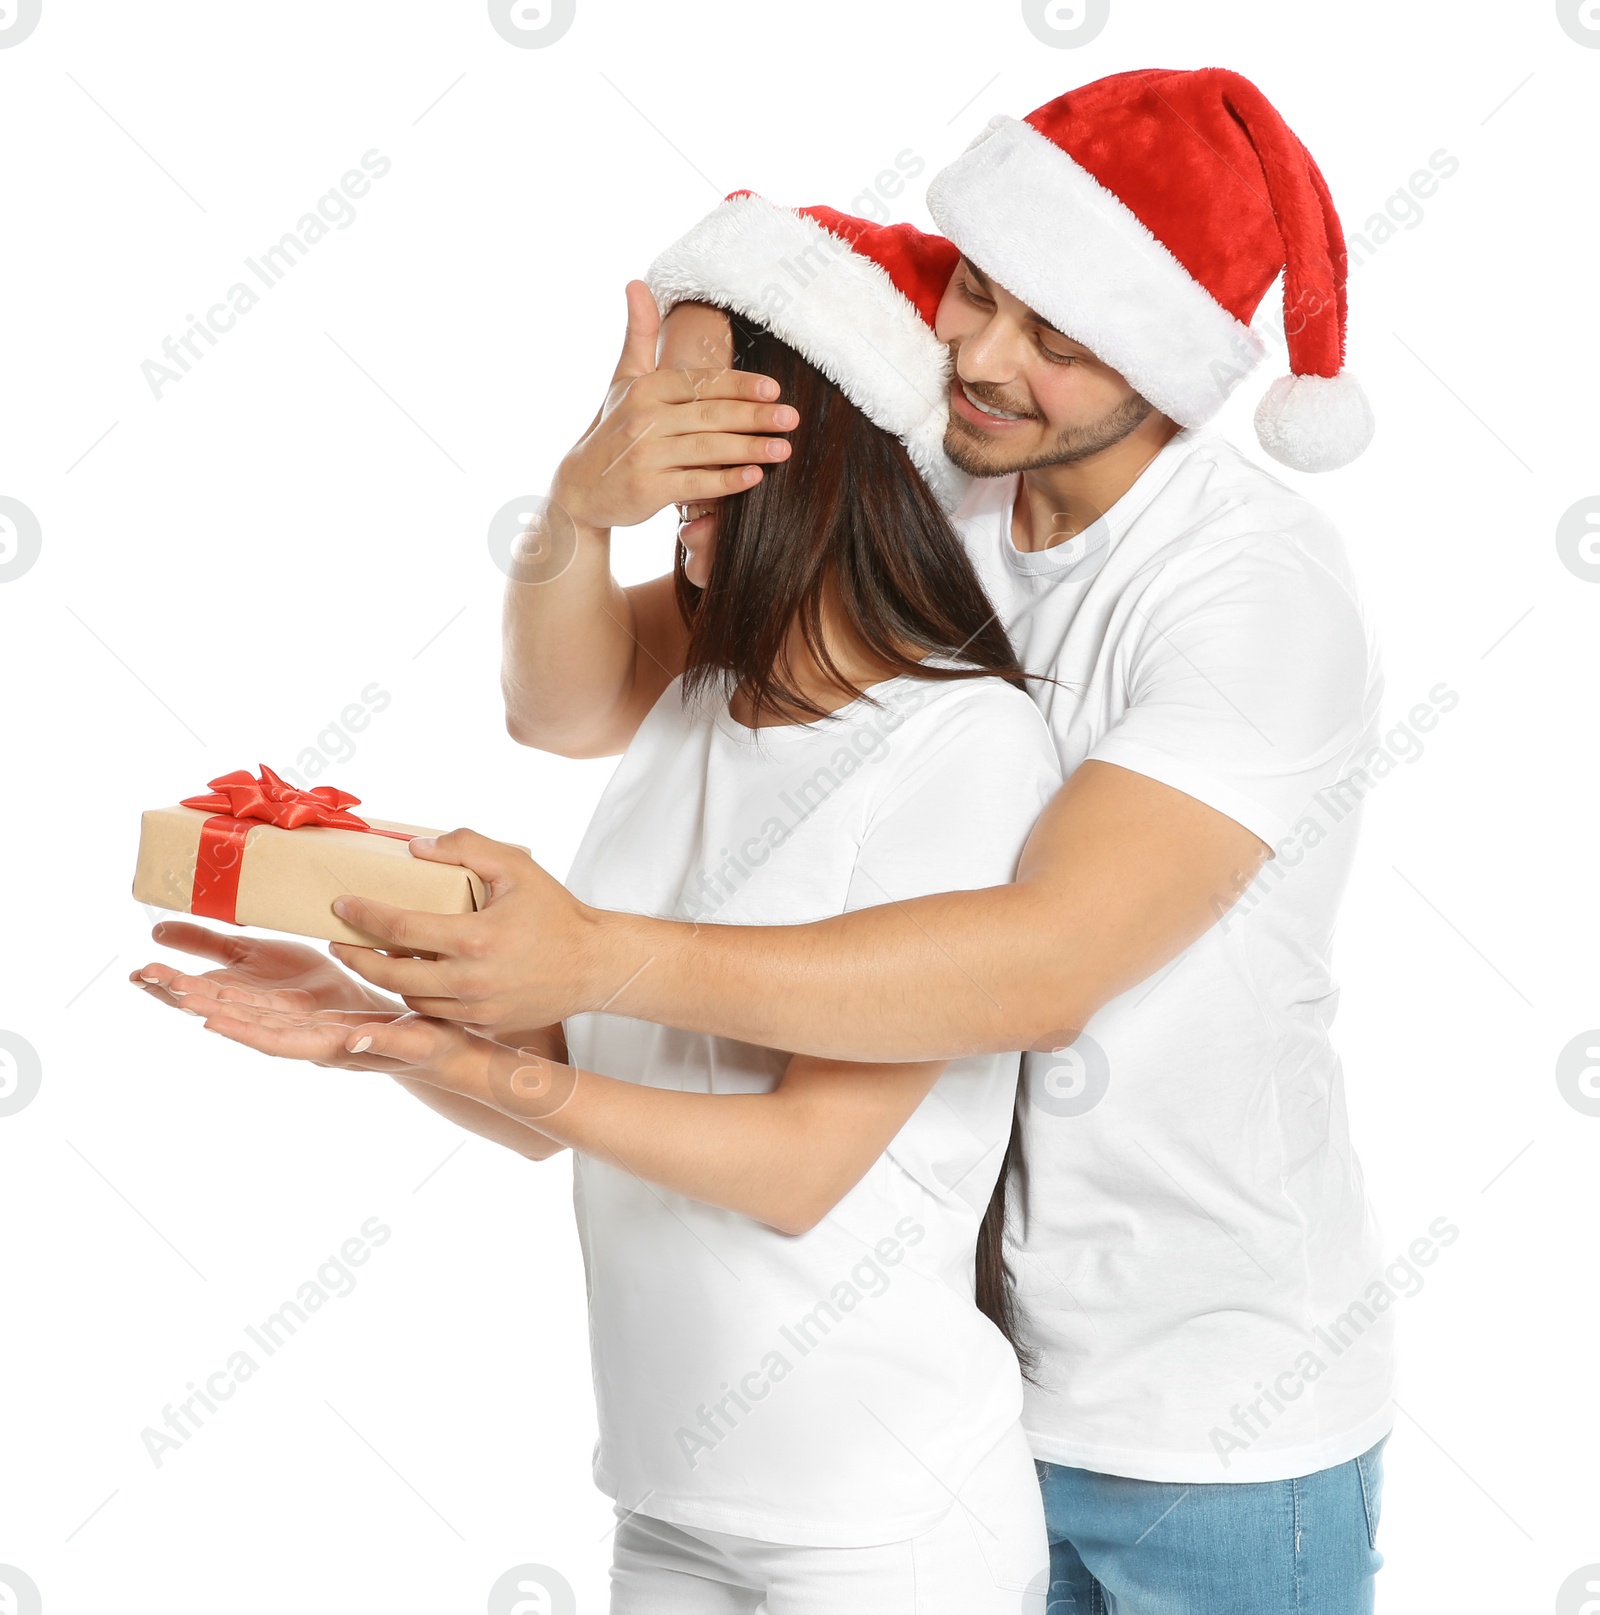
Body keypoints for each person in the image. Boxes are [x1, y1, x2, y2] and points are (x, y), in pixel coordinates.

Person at [288, 69, 1395, 1612]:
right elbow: (575, 702)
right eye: (981, 295)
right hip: (940, 1373)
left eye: (1061, 343)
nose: (986, 361)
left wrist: (588, 967)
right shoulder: (934, 491)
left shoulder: (1248, 585)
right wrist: (576, 512)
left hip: (1199, 1405)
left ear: (1166, 359)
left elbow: (1043, 967)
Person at [135, 203, 1060, 1612]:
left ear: (812, 428)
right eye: (633, 397)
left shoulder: (961, 743)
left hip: (887, 1527)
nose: (642, 428)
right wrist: (383, 1027)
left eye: (683, 396)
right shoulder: (692, 703)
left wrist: (457, 1053)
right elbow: (585, 1078)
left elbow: (801, 1164)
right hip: (671, 1505)